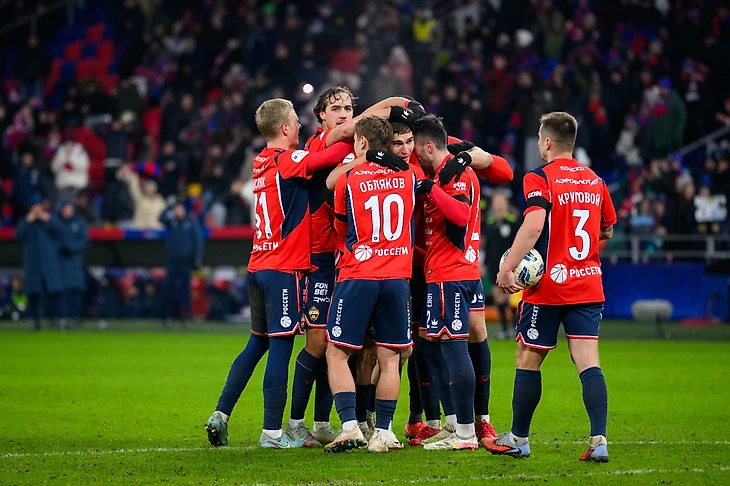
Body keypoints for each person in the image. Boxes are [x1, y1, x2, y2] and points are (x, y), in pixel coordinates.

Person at [205, 98, 354, 449]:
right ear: (285, 128)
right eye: (295, 121)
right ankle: (272, 432)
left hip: (257, 265)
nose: (300, 126)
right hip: (282, 269)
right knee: (281, 347)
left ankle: (221, 414)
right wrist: (360, 145)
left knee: (256, 342)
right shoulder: (287, 160)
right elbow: (328, 157)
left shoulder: (260, 161)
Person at [287, 86, 417, 446]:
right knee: (323, 343)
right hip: (334, 262)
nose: (344, 113)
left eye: (348, 107)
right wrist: (400, 106)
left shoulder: (349, 171)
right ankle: (305, 422)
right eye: (336, 108)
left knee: (353, 349)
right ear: (321, 116)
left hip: (353, 265)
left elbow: (341, 215)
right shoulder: (320, 143)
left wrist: (365, 154)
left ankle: (354, 423)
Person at [484, 112, 616, 462]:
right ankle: (599, 441)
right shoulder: (596, 181)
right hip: (588, 283)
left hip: (549, 286)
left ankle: (519, 439)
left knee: (528, 358)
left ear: (546, 142)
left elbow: (533, 225)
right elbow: (606, 229)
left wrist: (507, 267)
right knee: (588, 361)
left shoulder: (539, 177)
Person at [324, 115, 415, 453]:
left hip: (358, 274)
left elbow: (340, 226)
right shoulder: (408, 176)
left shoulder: (348, 178)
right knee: (390, 358)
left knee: (337, 353)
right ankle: (385, 432)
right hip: (397, 277)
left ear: (361, 142)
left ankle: (350, 427)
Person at [409, 115, 496, 451]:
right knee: (439, 345)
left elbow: (460, 215)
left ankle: (464, 433)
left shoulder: (454, 174)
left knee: (454, 348)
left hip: (451, 274)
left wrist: (430, 189)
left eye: (418, 149)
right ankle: (459, 425)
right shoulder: (451, 172)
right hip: (460, 272)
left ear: (429, 146)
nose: (417, 156)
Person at [15, 196, 63, 330]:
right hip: (33, 264)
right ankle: (35, 321)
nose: (36, 209)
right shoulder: (26, 221)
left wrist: (47, 219)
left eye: (38, 205)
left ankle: (55, 319)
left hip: (49, 263)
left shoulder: (49, 219)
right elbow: (18, 236)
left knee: (53, 292)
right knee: (34, 293)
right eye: (34, 206)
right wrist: (28, 220)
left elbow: (60, 232)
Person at [159, 202, 203, 326]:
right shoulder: (171, 221)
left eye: (179, 209)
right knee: (169, 289)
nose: (178, 212)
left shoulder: (190, 222)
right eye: (176, 210)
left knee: (185, 290)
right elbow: (160, 218)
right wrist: (169, 207)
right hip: (172, 260)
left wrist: (197, 258)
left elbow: (198, 241)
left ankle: (186, 317)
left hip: (185, 261)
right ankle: (167, 316)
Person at [483, 193, 520, 339]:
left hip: (511, 265)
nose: (498, 204)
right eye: (496, 201)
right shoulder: (489, 223)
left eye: (501, 201)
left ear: (506, 203)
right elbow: (487, 247)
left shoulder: (514, 221)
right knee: (498, 297)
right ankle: (504, 329)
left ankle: (516, 328)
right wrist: (484, 264)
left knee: (512, 298)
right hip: (494, 264)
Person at [57, 201, 88, 328]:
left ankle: (77, 317)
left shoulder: (79, 222)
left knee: (77, 290)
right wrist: (61, 247)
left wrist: (71, 248)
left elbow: (84, 240)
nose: (68, 211)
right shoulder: (57, 223)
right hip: (61, 262)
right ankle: (63, 317)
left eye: (70, 208)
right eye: (66, 208)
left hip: (76, 262)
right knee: (63, 291)